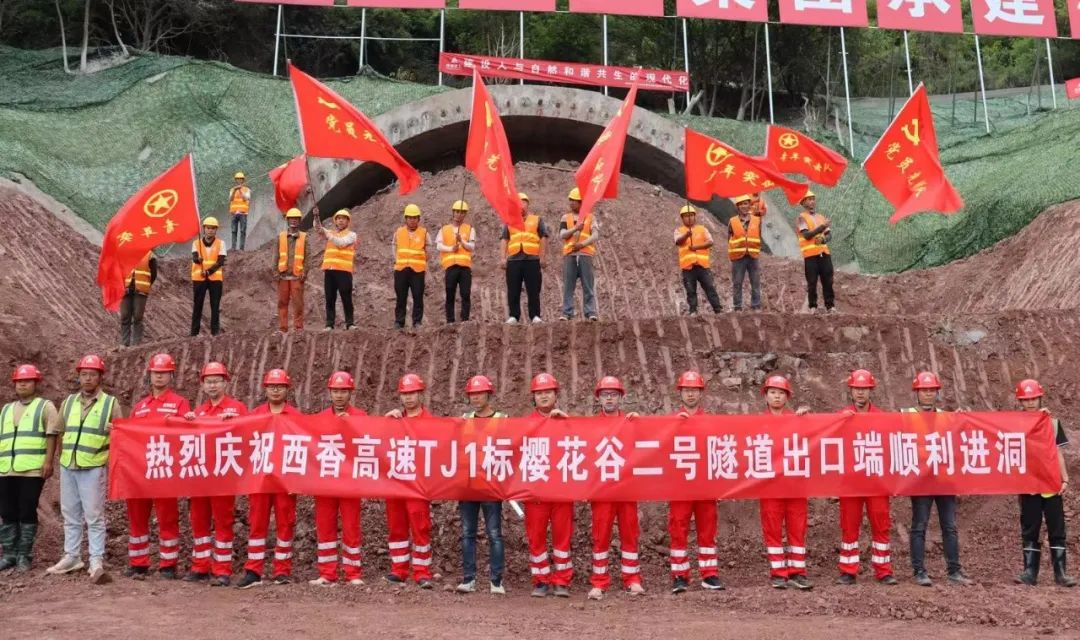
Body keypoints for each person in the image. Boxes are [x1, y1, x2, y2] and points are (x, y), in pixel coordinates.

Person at [46, 355, 119, 585]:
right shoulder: (69, 402)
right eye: (84, 374)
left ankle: (96, 560)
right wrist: (61, 459)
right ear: (79, 376)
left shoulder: (110, 403)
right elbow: (59, 431)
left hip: (93, 466)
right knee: (70, 514)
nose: (88, 378)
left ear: (100, 377)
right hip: (69, 465)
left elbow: (121, 434)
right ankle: (72, 556)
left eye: (92, 374)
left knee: (94, 516)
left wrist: (113, 433)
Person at [903, 371, 974, 587]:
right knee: (919, 526)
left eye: (931, 390)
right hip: (920, 481)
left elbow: (960, 438)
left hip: (944, 480)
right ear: (917, 393)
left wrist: (961, 420)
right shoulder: (905, 415)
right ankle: (919, 571)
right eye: (924, 390)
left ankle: (954, 571)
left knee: (950, 526)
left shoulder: (946, 417)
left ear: (937, 393)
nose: (928, 394)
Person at [125, 353, 189, 579]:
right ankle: (138, 563)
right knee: (136, 516)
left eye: (163, 373)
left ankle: (168, 565)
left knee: (167, 517)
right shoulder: (140, 406)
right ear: (149, 375)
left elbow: (186, 435)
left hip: (165, 469)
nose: (159, 377)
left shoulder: (179, 403)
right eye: (155, 373)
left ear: (171, 375)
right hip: (140, 470)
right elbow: (130, 437)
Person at [183, 362, 247, 587]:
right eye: (208, 382)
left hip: (223, 475)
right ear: (203, 385)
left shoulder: (237, 409)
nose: (212, 385)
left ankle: (222, 569)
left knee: (223, 521)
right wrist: (187, 423)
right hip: (200, 475)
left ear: (225, 383)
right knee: (198, 520)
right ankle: (200, 567)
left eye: (217, 381)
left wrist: (236, 423)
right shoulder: (199, 412)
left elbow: (249, 435)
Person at [237, 369, 300, 589]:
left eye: (280, 386)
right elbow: (242, 441)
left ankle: (282, 570)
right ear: (265, 389)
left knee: (285, 524)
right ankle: (253, 570)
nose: (275, 390)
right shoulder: (254, 415)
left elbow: (303, 449)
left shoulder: (296, 417)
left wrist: (297, 481)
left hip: (285, 480)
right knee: (257, 523)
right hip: (259, 479)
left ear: (287, 389)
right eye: (272, 386)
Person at [836, 369, 897, 585]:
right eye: (856, 389)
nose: (860, 393)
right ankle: (848, 570)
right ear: (851, 390)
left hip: (876, 482)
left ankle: (884, 571)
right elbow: (828, 442)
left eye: (864, 389)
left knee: (881, 525)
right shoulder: (841, 417)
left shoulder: (882, 418)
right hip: (850, 483)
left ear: (871, 391)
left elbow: (891, 447)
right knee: (849, 526)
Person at [1013, 379, 1075, 587]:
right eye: (1026, 399)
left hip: (1051, 485)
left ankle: (1061, 574)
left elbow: (1057, 453)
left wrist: (1064, 478)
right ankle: (1030, 573)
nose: (1030, 403)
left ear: (1040, 398)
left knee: (1057, 529)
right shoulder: (1015, 424)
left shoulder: (1052, 423)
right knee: (1030, 528)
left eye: (1034, 399)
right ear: (1020, 402)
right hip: (1029, 486)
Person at [0, 364, 61, 573]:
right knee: (7, 511)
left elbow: (52, 435)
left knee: (26, 510)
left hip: (32, 470)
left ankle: (24, 555)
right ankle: (9, 554)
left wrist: (48, 461)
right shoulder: (6, 409)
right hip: (6, 468)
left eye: (27, 381)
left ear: (36, 383)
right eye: (19, 381)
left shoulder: (45, 407)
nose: (22, 384)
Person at [588, 376, 643, 600]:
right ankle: (599, 582)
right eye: (605, 395)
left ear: (621, 398)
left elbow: (649, 442)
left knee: (630, 533)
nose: (609, 398)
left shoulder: (631, 422)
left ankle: (632, 579)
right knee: (601, 535)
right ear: (598, 399)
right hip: (602, 490)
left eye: (613, 394)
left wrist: (641, 424)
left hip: (627, 488)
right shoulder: (591, 426)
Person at [668, 370, 724, 593]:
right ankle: (679, 575)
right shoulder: (671, 422)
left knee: (707, 529)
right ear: (680, 393)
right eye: (686, 390)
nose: (690, 394)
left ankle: (709, 574)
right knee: (678, 529)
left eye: (694, 390)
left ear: (701, 393)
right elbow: (658, 446)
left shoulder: (710, 422)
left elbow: (718, 450)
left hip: (704, 486)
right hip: (679, 486)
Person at [311, 371, 367, 587]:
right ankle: (327, 572)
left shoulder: (361, 417)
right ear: (330, 393)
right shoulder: (319, 419)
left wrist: (352, 425)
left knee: (351, 526)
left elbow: (370, 443)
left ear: (350, 393)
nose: (339, 395)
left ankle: (353, 573)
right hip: (325, 481)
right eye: (336, 391)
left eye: (344, 391)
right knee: (325, 525)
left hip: (350, 482)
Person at [759, 374, 813, 590]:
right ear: (766, 396)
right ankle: (778, 573)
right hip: (770, 486)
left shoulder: (798, 419)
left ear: (787, 397)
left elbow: (816, 437)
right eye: (773, 392)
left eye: (781, 393)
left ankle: (798, 572)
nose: (777, 397)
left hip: (795, 485)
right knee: (772, 529)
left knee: (797, 528)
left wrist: (807, 419)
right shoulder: (757, 423)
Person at [456, 375, 507, 595]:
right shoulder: (464, 420)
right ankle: (469, 579)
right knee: (467, 533)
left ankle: (496, 581)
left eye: (480, 393)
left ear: (488, 395)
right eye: (472, 394)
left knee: (494, 534)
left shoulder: (503, 420)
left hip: (491, 487)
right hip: (467, 486)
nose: (476, 398)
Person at [383, 373, 435, 588]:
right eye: (404, 394)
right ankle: (399, 570)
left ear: (420, 394)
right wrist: (385, 422)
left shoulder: (432, 423)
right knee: (396, 527)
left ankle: (422, 572)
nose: (408, 398)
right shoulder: (395, 420)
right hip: (395, 483)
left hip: (418, 485)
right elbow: (377, 443)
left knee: (420, 527)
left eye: (412, 393)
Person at [524, 373, 572, 597]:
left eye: (547, 392)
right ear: (534, 397)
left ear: (556, 395)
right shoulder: (525, 424)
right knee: (536, 536)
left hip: (562, 490)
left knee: (563, 535)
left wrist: (567, 422)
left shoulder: (566, 421)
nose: (543, 396)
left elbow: (584, 443)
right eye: (539, 393)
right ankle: (541, 580)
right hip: (536, 491)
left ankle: (562, 580)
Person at [502, 192, 548, 324]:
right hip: (513, 259)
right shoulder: (509, 221)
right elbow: (504, 239)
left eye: (523, 203)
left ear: (527, 204)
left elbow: (543, 237)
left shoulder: (537, 219)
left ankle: (535, 315)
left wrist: (543, 257)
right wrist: (502, 258)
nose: (520, 206)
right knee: (513, 289)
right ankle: (514, 316)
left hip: (532, 259)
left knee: (533, 289)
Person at [674, 205, 722, 316]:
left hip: (702, 266)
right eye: (686, 216)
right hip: (688, 267)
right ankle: (693, 311)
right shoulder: (679, 231)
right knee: (690, 290)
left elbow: (710, 242)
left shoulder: (702, 229)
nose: (689, 218)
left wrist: (696, 247)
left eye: (691, 215)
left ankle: (718, 310)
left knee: (710, 287)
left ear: (695, 216)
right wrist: (686, 235)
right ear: (682, 218)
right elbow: (678, 241)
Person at [315, 207, 358, 331]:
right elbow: (318, 228)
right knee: (330, 297)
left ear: (348, 221)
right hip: (330, 270)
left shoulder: (352, 235)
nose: (341, 221)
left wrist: (328, 235)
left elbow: (341, 243)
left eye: (343, 219)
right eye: (338, 218)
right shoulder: (331, 233)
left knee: (346, 297)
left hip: (344, 271)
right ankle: (329, 324)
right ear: (335, 221)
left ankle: (350, 323)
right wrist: (316, 217)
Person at [560, 187, 599, 322]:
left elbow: (595, 235)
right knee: (568, 286)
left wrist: (582, 244)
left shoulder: (591, 217)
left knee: (588, 284)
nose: (571, 203)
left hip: (585, 254)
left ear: (581, 202)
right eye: (570, 200)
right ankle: (567, 313)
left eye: (574, 200)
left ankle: (590, 312)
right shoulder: (565, 217)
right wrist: (575, 228)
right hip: (570, 254)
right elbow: (562, 234)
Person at [796, 191, 835, 313]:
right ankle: (813, 306)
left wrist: (824, 239)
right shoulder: (801, 218)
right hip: (810, 256)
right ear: (803, 203)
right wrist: (822, 227)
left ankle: (830, 306)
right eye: (809, 199)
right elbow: (807, 235)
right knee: (812, 282)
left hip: (824, 253)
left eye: (813, 199)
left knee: (828, 280)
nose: (812, 201)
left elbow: (829, 235)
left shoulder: (821, 217)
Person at [438, 200, 476, 324]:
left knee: (465, 293)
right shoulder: (444, 229)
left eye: (462, 212)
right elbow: (439, 246)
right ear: (453, 212)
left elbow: (471, 247)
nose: (459, 214)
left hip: (465, 267)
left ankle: (465, 319)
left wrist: (461, 241)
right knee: (450, 293)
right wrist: (450, 249)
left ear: (465, 214)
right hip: (450, 267)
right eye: (457, 212)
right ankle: (450, 320)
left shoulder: (470, 229)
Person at [393, 204, 430, 330]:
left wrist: (423, 261)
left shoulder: (424, 233)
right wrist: (397, 260)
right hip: (401, 269)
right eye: (410, 218)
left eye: (415, 218)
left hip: (417, 271)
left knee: (418, 296)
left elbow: (428, 250)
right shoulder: (399, 232)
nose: (412, 220)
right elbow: (394, 247)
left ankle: (417, 321)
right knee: (401, 297)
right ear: (406, 218)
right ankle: (399, 321)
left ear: (418, 219)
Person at [191, 216, 226, 337]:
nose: (210, 230)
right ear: (204, 229)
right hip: (199, 279)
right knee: (197, 305)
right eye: (208, 228)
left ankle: (215, 332)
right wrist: (198, 259)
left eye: (213, 228)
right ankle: (194, 333)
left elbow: (220, 261)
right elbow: (194, 258)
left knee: (215, 306)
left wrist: (208, 271)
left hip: (215, 279)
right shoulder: (196, 243)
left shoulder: (221, 243)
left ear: (216, 230)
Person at [728, 195, 762, 312]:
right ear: (737, 206)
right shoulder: (732, 221)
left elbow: (758, 235)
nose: (744, 206)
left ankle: (756, 305)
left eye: (746, 203)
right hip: (738, 257)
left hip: (753, 256)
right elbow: (729, 238)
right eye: (741, 204)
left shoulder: (757, 220)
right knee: (737, 282)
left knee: (755, 282)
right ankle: (737, 307)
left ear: (749, 205)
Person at [275, 208, 307, 333]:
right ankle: (283, 328)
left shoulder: (304, 237)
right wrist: (275, 272)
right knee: (282, 303)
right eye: (291, 218)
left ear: (299, 221)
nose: (293, 220)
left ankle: (298, 328)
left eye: (296, 218)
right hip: (283, 276)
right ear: (287, 220)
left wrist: (305, 271)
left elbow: (308, 257)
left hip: (297, 276)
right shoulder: (281, 237)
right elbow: (275, 256)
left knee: (298, 303)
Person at [120, 250, 156, 346]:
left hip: (141, 291)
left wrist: (145, 285)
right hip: (125, 289)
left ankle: (136, 343)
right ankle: (124, 343)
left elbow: (154, 274)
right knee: (124, 316)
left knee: (137, 317)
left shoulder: (150, 256)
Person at [229, 171, 252, 251]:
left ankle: (241, 248)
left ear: (243, 180)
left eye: (240, 179)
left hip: (243, 213)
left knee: (242, 231)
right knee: (233, 230)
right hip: (234, 213)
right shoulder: (232, 189)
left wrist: (240, 190)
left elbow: (246, 198)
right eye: (237, 179)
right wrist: (235, 190)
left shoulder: (247, 189)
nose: (239, 180)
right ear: (236, 180)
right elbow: (230, 199)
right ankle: (233, 248)